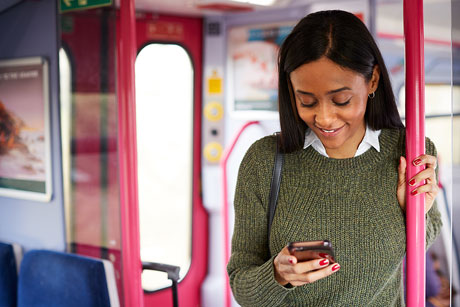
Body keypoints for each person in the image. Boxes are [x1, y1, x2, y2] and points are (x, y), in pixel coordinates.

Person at [227, 10, 442, 306]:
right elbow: (242, 288)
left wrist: (414, 212)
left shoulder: (410, 151)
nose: (324, 118)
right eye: (306, 101)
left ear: (373, 80)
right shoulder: (264, 161)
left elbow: (419, 247)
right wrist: (277, 274)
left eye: (341, 100)